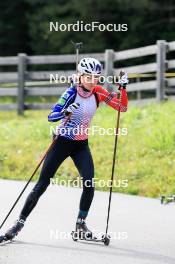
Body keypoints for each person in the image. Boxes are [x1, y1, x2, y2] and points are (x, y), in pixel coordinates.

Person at [2, 57, 128, 241]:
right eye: (90, 77)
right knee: (42, 184)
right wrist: (66, 111)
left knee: (89, 184)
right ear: (81, 76)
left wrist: (123, 89)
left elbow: (122, 107)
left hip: (80, 145)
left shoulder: (98, 92)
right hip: (61, 142)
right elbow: (51, 116)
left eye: (97, 77)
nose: (94, 81)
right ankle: (18, 224)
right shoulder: (70, 92)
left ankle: (80, 224)